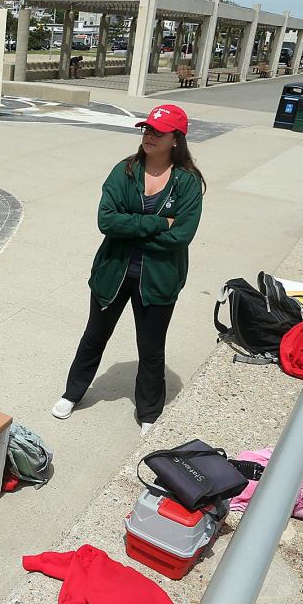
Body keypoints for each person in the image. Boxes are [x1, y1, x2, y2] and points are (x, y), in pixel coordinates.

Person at [51, 104, 205, 437]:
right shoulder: (125, 171)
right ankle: (72, 393)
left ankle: (149, 409)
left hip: (159, 279)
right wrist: (157, 222)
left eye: (157, 132)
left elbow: (182, 235)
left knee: (151, 348)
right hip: (113, 272)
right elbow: (106, 221)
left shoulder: (188, 183)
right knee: (94, 336)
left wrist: (131, 231)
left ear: (176, 140)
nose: (149, 136)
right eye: (147, 129)